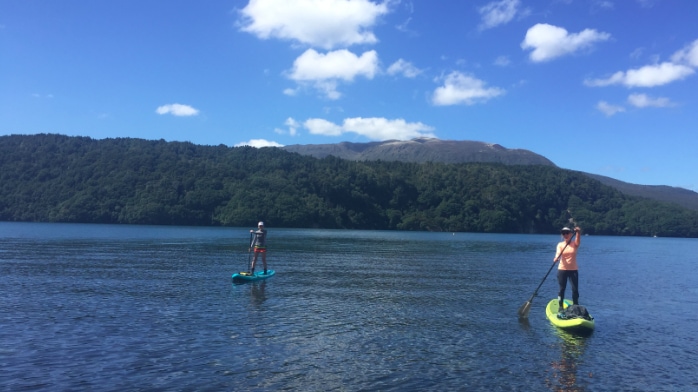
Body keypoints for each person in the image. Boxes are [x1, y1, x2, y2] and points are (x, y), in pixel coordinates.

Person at [554, 226, 581, 315]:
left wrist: (578, 232)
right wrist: (556, 258)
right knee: (562, 289)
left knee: (575, 289)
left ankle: (576, 306)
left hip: (573, 270)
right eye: (563, 233)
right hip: (562, 269)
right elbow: (558, 253)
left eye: (567, 233)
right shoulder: (560, 244)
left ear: (570, 234)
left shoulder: (574, 244)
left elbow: (578, 239)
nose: (565, 235)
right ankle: (560, 306)